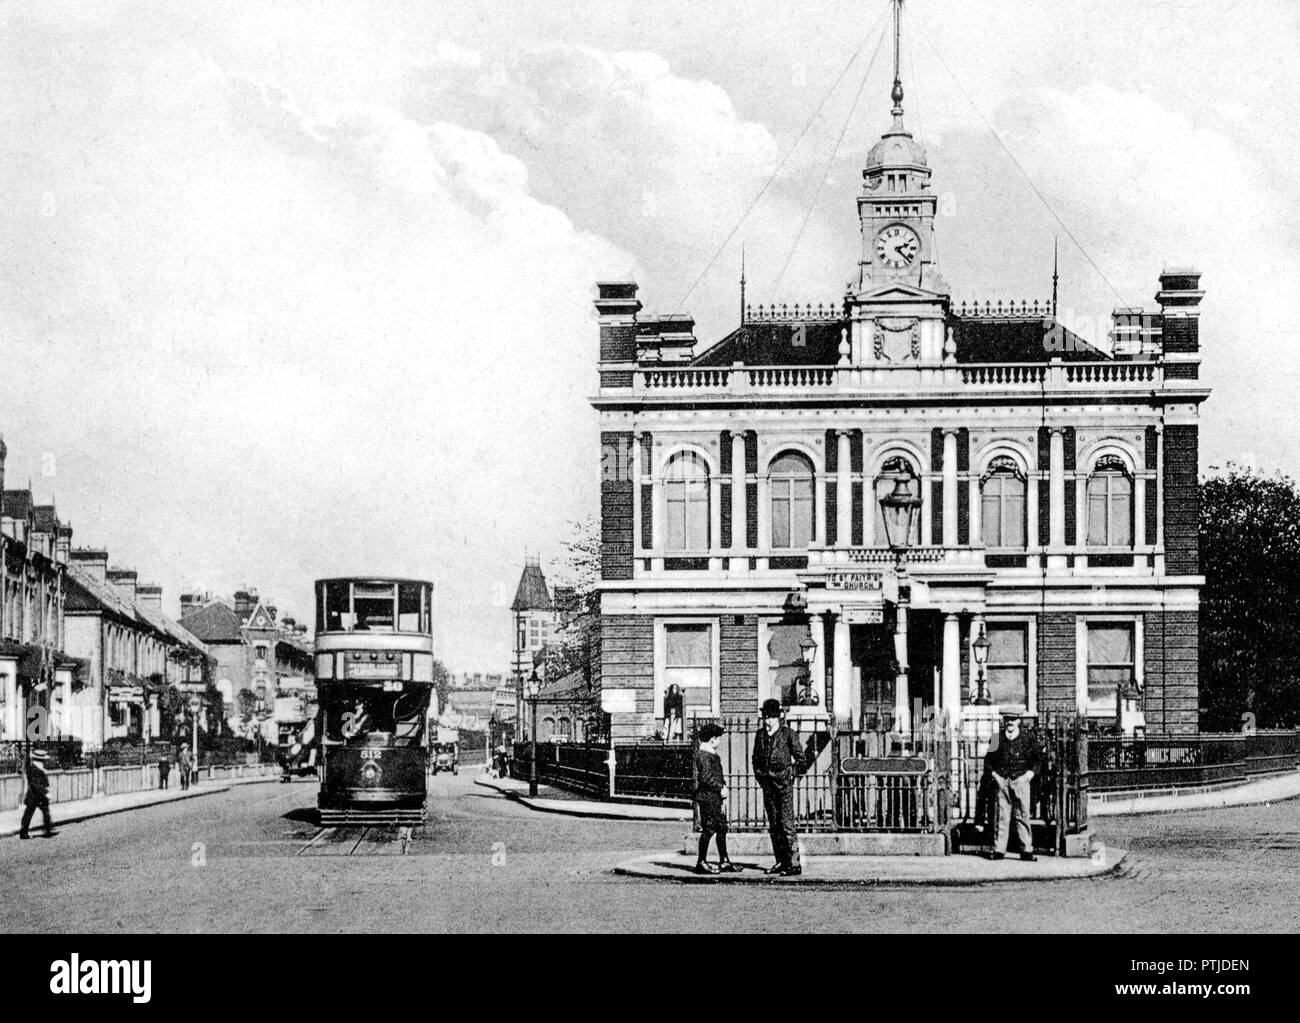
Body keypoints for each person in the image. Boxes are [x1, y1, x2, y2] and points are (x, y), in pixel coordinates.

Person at [751, 699, 806, 876]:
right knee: (774, 825)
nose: (768, 721)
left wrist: (791, 774)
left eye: (771, 718)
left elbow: (801, 759)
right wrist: (761, 778)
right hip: (768, 786)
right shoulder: (759, 735)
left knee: (787, 826)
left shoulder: (788, 734)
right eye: (765, 717)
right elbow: (755, 760)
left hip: (784, 786)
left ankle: (795, 864)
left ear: (779, 718)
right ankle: (781, 862)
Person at [983, 707, 1043, 862]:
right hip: (1001, 781)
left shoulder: (1028, 738)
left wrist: (1029, 775)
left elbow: (1038, 759)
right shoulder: (996, 738)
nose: (1010, 722)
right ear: (1004, 721)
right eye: (1007, 719)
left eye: (1013, 719)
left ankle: (1026, 850)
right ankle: (999, 850)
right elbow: (988, 762)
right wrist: (996, 776)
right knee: (1000, 816)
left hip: (1021, 780)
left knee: (1022, 815)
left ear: (1019, 721)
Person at [693, 723, 738, 874]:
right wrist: (720, 788)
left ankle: (724, 861)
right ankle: (701, 862)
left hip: (713, 797)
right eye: (718, 739)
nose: (719, 742)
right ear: (712, 740)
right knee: (709, 828)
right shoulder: (705, 755)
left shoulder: (709, 754)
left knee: (721, 827)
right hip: (708, 798)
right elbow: (705, 778)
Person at [18, 749, 55, 840]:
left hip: (38, 795)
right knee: (29, 814)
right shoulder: (34, 769)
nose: (45, 762)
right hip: (34, 796)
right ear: (40, 760)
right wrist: (46, 792)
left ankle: (47, 830)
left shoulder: (37, 768)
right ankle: (24, 833)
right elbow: (36, 784)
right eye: (43, 760)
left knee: (44, 812)